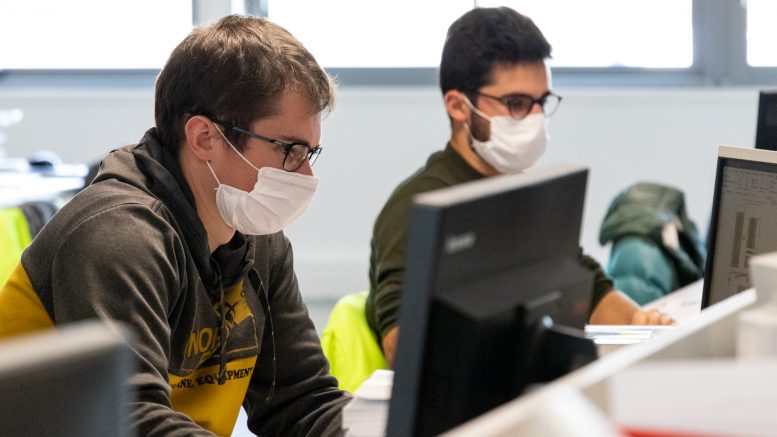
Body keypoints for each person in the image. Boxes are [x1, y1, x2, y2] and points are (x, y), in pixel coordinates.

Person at [0, 15, 348, 436]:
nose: (305, 174)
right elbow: (132, 421)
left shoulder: (257, 239)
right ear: (204, 138)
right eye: (289, 149)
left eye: (310, 153)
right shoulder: (118, 237)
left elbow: (303, 402)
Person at [366, 6, 673, 367]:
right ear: (458, 106)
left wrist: (642, 325)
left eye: (541, 102)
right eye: (516, 104)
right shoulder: (417, 205)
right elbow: (400, 345)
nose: (534, 118)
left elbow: (585, 283)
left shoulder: (523, 194)